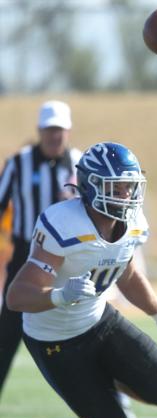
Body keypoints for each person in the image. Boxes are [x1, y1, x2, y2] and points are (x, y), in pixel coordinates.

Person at [6, 142, 157, 418]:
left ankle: (110, 380)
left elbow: (128, 273)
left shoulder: (133, 222)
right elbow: (17, 296)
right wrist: (57, 295)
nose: (126, 194)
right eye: (116, 187)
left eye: (129, 186)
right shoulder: (64, 224)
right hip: (54, 342)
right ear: (91, 186)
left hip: (99, 322)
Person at [0, 101, 81, 399]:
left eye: (59, 129)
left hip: (69, 257)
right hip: (25, 255)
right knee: (8, 328)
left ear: (68, 130)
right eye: (49, 129)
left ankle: (112, 397)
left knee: (86, 324)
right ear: (39, 130)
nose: (54, 136)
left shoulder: (78, 162)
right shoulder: (18, 163)